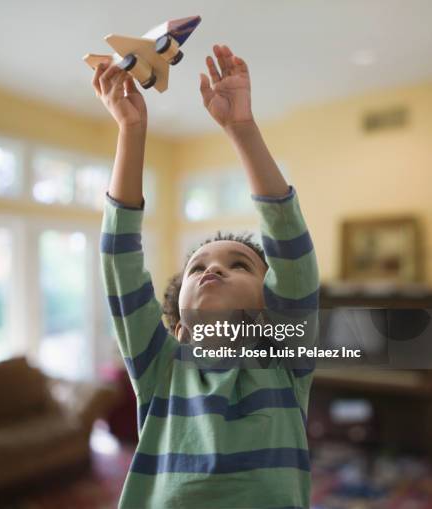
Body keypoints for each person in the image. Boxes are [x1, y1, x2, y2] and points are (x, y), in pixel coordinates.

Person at [92, 43, 319, 508]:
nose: (214, 267)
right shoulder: (162, 367)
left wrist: (242, 129)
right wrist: (131, 131)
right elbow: (120, 259)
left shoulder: (284, 361)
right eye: (199, 267)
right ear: (178, 327)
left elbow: (291, 249)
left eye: (240, 265)